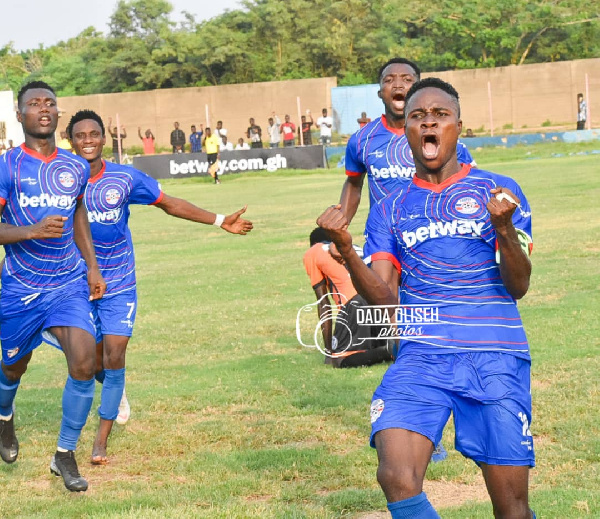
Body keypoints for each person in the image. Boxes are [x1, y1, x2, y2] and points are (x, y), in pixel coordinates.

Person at [317, 77, 536, 519]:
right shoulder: (391, 207)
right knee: (395, 475)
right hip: (423, 355)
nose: (428, 123)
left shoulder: (498, 191)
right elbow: (383, 300)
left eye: (440, 116)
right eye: (418, 117)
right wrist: (344, 246)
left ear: (458, 127)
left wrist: (504, 229)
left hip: (494, 355)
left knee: (511, 508)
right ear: (408, 132)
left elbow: (519, 286)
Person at [67, 109, 253, 466]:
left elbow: (169, 204)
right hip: (74, 280)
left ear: (104, 139)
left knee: (115, 355)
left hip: (119, 279)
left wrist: (218, 221)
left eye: (94, 134)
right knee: (87, 361)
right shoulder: (60, 178)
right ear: (70, 140)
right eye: (80, 135)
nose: (88, 141)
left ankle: (100, 440)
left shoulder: (125, 177)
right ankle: (112, 389)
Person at [0, 81, 106, 492]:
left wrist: (93, 267)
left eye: (50, 104)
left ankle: (64, 454)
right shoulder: (6, 166)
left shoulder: (75, 167)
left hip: (68, 283)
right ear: (21, 114)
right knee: (13, 366)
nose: (43, 109)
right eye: (34, 104)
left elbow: (79, 215)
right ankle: (5, 418)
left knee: (84, 362)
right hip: (20, 288)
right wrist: (31, 231)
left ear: (58, 114)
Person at [340, 57, 475, 224]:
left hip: (431, 232)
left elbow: (471, 182)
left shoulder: (445, 138)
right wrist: (341, 224)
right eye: (389, 80)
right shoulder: (361, 139)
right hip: (385, 234)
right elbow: (353, 183)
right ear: (380, 92)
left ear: (418, 89)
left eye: (407, 79)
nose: (397, 85)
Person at [303, 228, 392, 368]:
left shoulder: (314, 251)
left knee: (339, 360)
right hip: (381, 300)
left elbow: (323, 303)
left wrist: (328, 352)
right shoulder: (351, 247)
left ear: (313, 243)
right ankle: (389, 347)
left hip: (356, 302)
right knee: (374, 345)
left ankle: (388, 351)